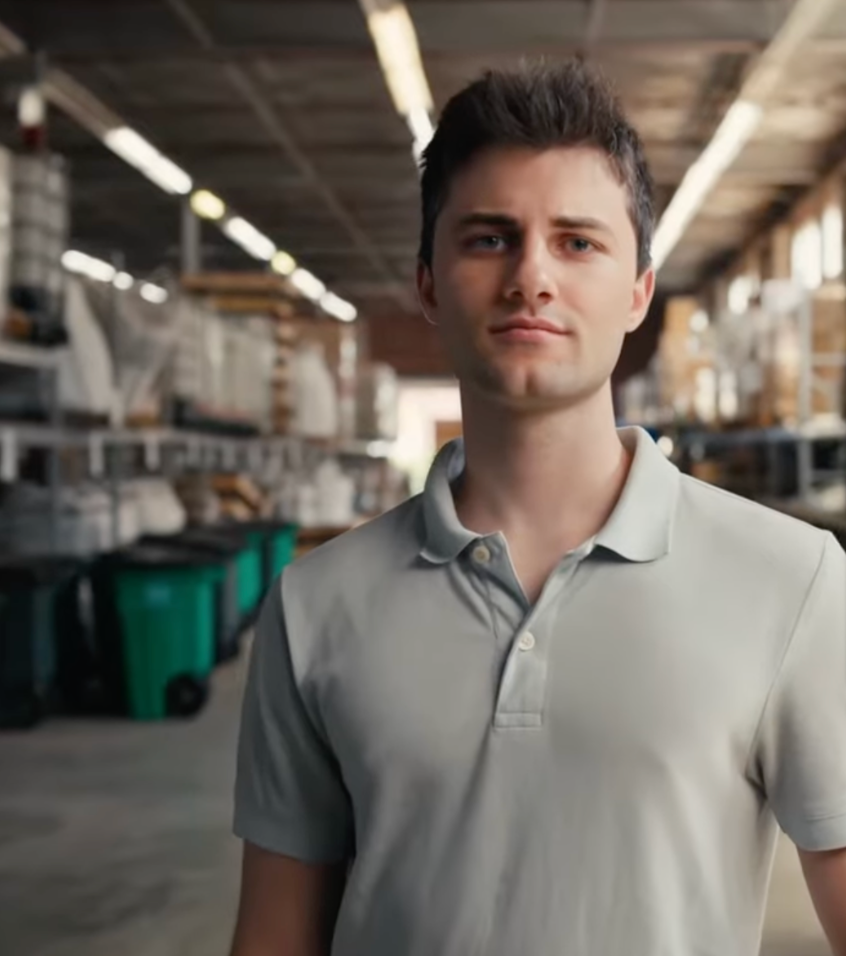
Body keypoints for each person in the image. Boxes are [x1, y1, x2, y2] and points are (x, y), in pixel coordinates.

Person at [229, 61, 846, 956]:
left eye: (577, 241)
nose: (531, 277)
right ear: (430, 284)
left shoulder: (792, 583)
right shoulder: (316, 606)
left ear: (639, 291)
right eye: (488, 238)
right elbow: (274, 937)